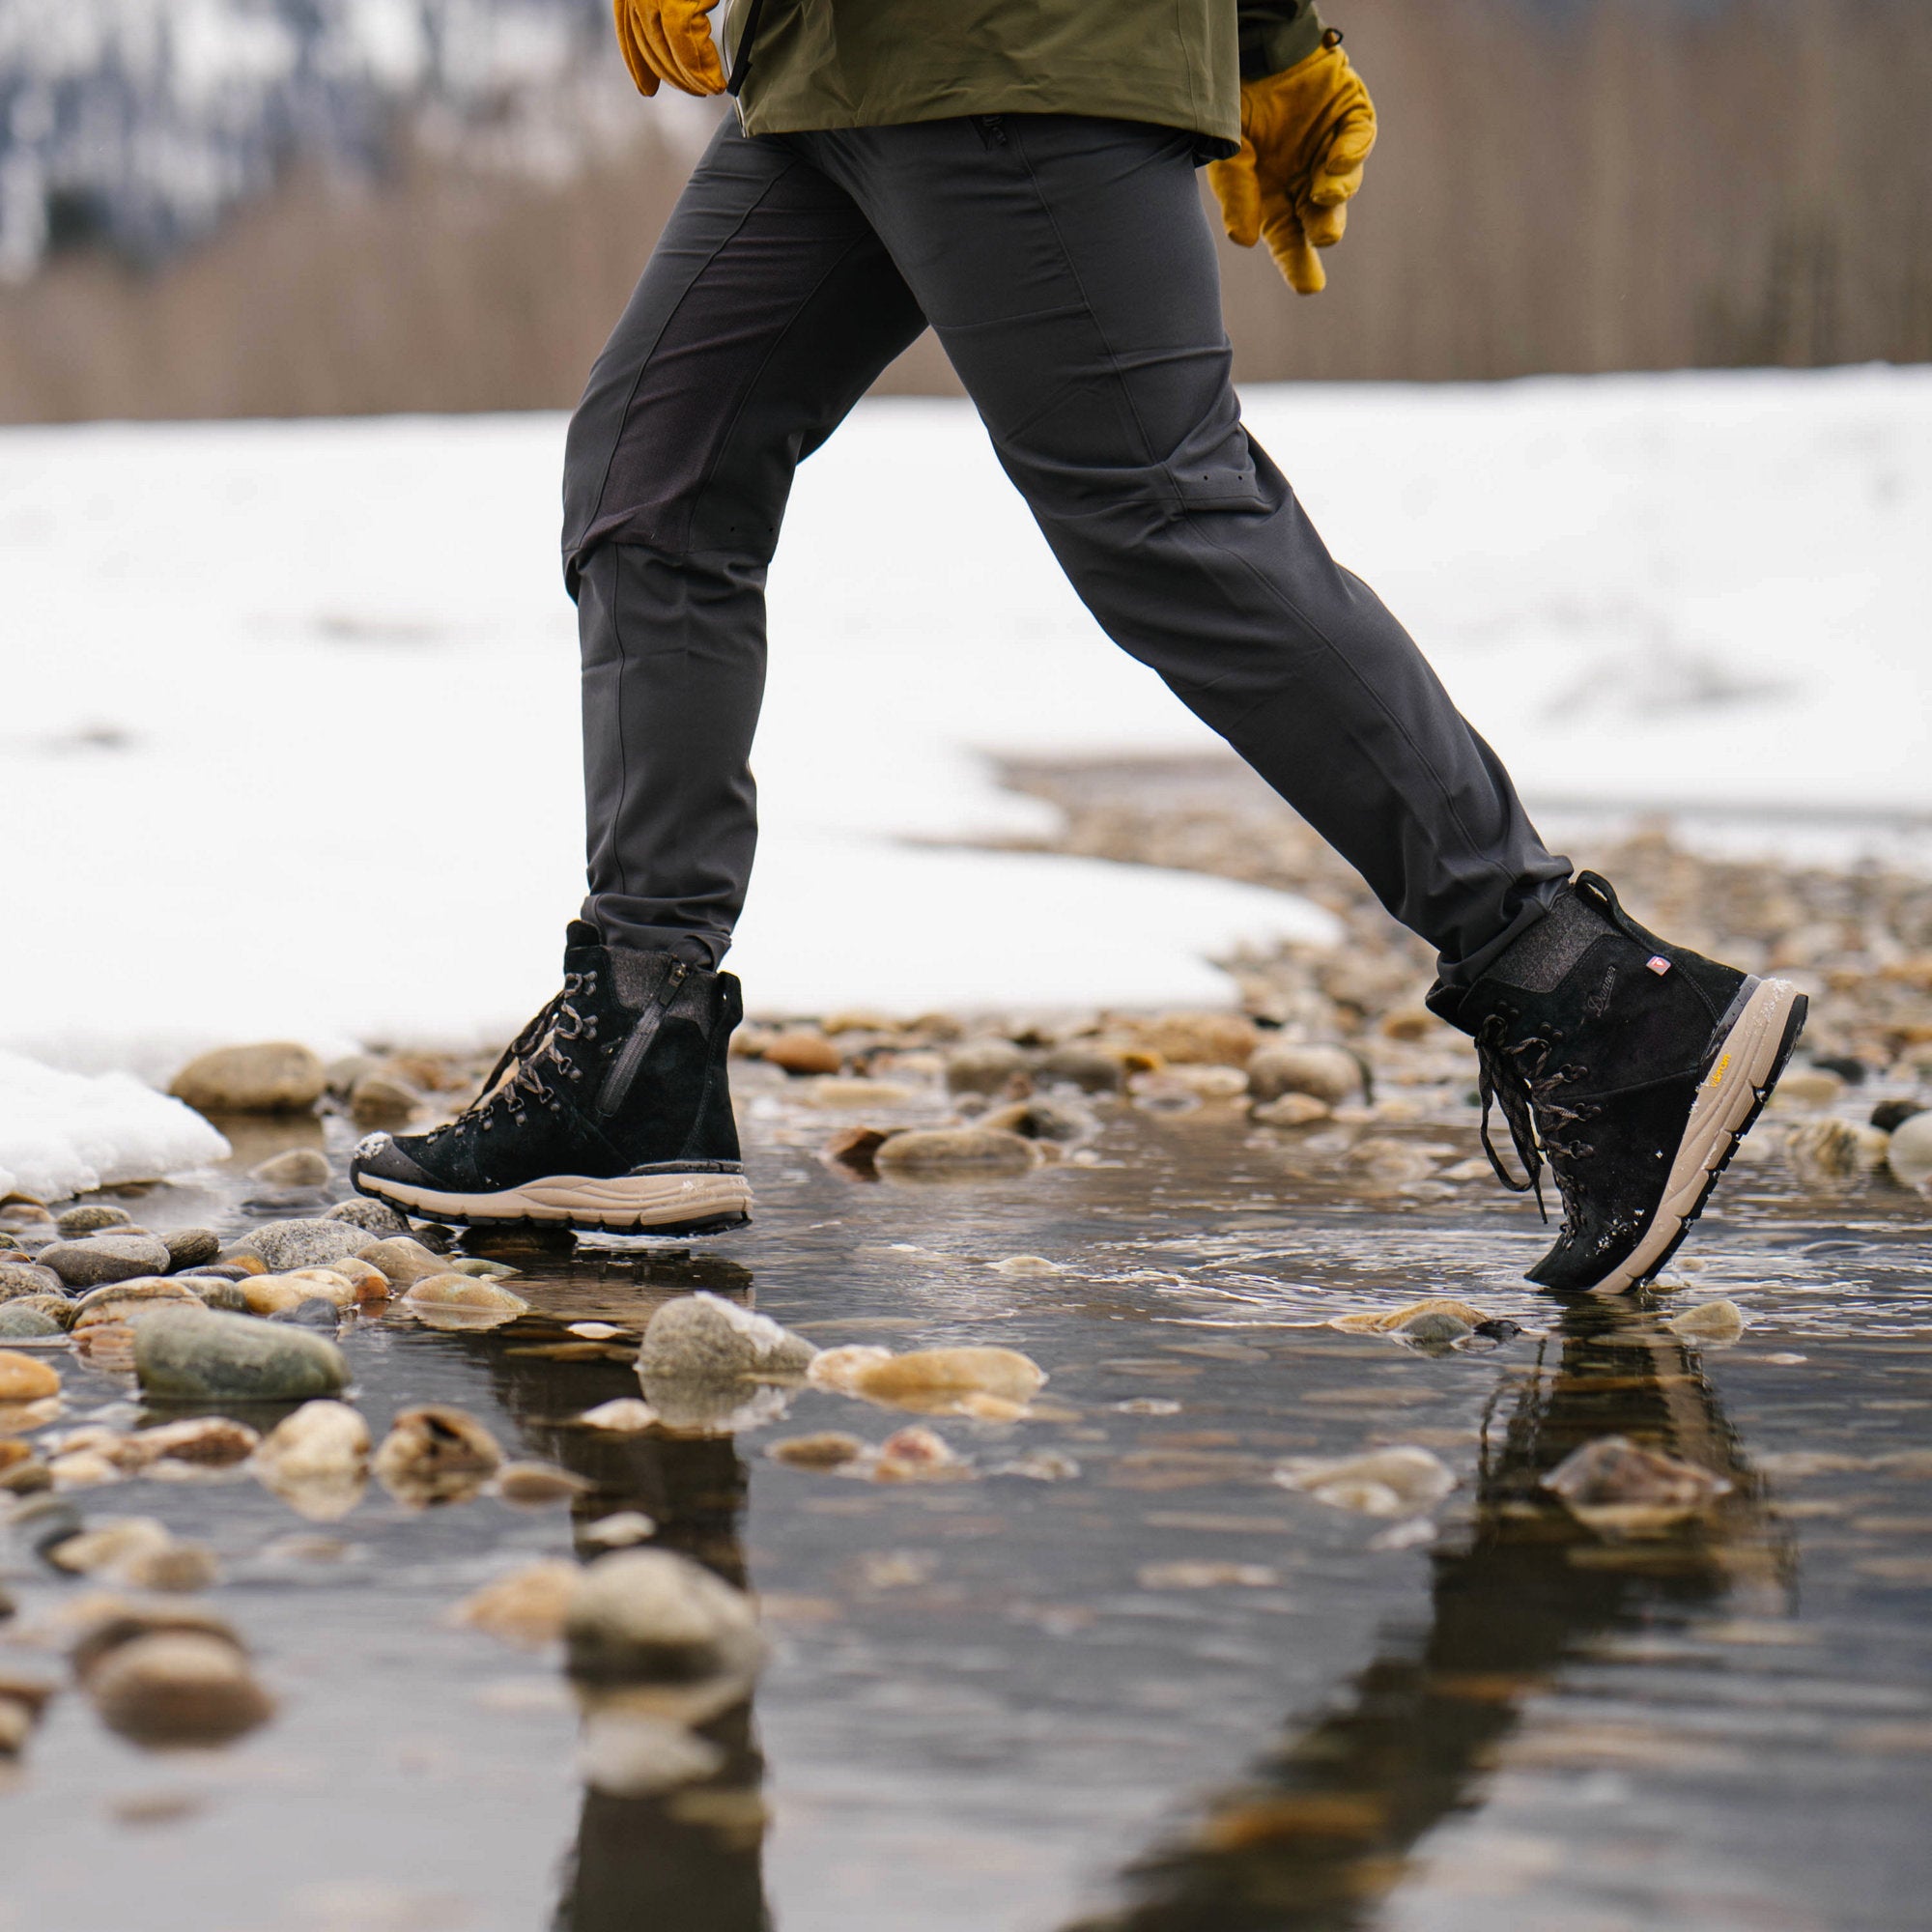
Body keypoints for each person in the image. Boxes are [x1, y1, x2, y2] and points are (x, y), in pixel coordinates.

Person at [352, 0, 1807, 1293]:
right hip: (835, 62)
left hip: (1007, 45)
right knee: (652, 477)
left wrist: (1263, 41)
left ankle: (1589, 993)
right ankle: (636, 1047)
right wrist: (1267, 40)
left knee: (1162, 516)